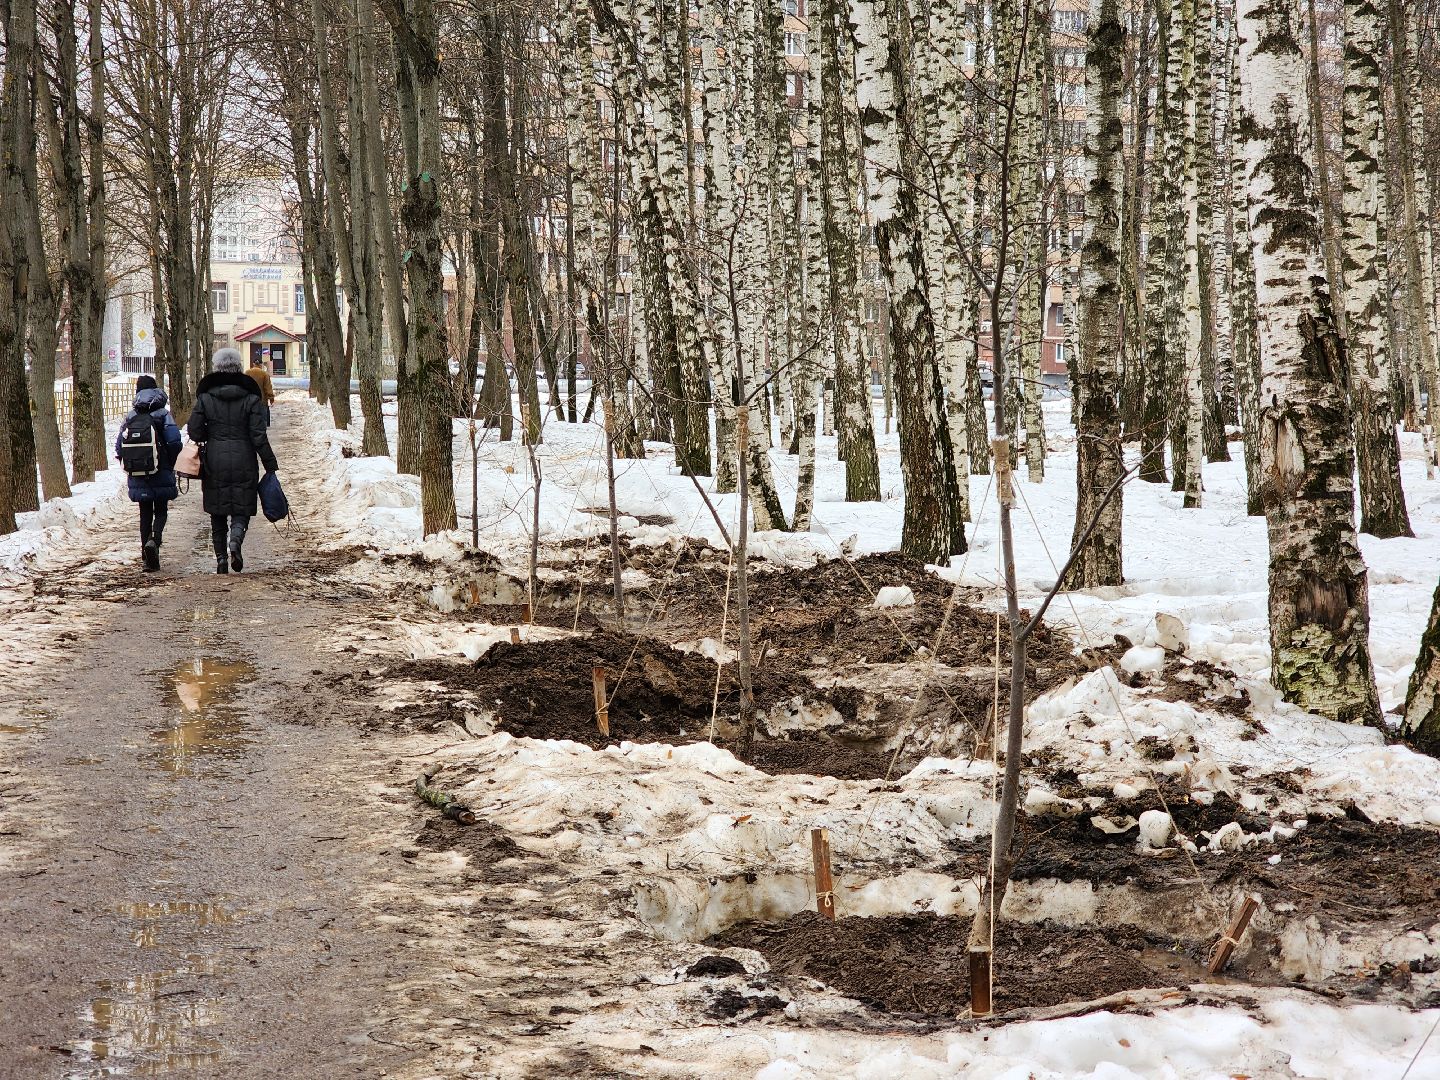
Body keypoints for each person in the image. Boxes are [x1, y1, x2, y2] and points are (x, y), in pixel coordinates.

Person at [188, 347, 280, 574]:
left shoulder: (206, 398)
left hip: (214, 462)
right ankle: (235, 541)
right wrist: (270, 464)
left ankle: (221, 559)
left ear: (216, 369)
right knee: (241, 507)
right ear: (239, 369)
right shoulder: (251, 399)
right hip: (245, 459)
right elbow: (259, 436)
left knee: (217, 511)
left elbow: (195, 432)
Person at [115, 374, 182, 572]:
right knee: (161, 509)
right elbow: (175, 441)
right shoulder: (163, 414)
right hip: (161, 469)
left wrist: (130, 463)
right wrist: (169, 461)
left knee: (145, 513)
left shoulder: (131, 416)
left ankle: (146, 558)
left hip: (138, 471)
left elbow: (119, 447)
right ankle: (155, 539)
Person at [245, 355, 276, 426]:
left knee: (250, 419)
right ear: (261, 365)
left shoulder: (247, 373)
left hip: (249, 400)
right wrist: (271, 398)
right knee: (263, 420)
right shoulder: (264, 374)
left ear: (253, 364)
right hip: (262, 400)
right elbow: (267, 388)